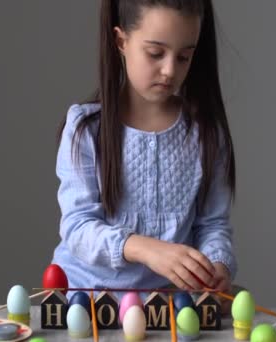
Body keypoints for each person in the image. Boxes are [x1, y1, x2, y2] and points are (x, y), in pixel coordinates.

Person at [51, 0, 236, 310]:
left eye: (184, 57)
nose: (169, 70)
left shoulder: (205, 133)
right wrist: (146, 249)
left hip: (167, 309)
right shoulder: (86, 129)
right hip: (86, 304)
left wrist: (216, 265)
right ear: (121, 41)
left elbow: (212, 224)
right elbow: (78, 227)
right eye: (155, 53)